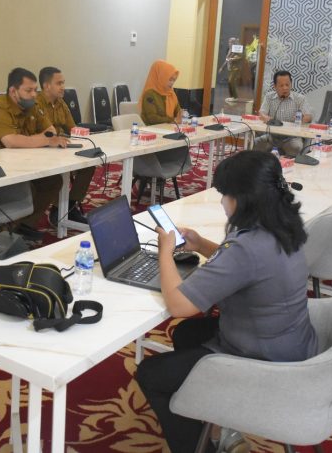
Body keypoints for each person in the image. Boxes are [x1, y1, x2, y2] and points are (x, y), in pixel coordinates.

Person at [136, 151, 318, 453]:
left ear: (243, 199)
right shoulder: (282, 224)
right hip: (291, 342)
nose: (221, 202)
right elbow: (246, 267)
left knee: (150, 374)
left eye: (225, 195)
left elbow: (179, 306)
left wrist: (165, 251)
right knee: (187, 335)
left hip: (265, 363)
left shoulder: (246, 247)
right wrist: (200, 244)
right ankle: (215, 414)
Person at [0, 68, 66, 239]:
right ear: (13, 91)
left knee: (53, 181)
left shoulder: (31, 106)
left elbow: (51, 131)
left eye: (35, 90)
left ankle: (22, 225)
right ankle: (5, 228)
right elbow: (12, 142)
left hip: (20, 162)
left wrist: (37, 139)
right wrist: (44, 140)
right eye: (28, 90)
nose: (34, 94)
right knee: (29, 185)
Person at [36, 67, 95, 225]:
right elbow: (45, 132)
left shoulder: (61, 103)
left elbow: (72, 128)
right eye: (59, 83)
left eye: (63, 83)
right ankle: (57, 209)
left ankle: (69, 205)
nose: (63, 87)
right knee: (58, 171)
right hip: (41, 150)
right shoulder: (36, 103)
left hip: (60, 148)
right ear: (46, 86)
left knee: (89, 165)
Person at [256, 70, 313, 156]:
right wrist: (266, 118)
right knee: (256, 143)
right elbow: (261, 113)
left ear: (291, 84)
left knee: (296, 147)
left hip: (292, 137)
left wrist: (302, 118)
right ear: (275, 86)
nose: (285, 88)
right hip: (272, 136)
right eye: (281, 85)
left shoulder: (300, 98)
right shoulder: (269, 97)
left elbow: (309, 116)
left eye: (287, 85)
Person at [140, 60, 182, 125]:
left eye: (174, 80)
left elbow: (178, 113)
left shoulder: (171, 94)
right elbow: (153, 118)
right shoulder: (150, 94)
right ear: (161, 77)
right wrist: (172, 120)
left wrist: (182, 115)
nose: (172, 83)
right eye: (170, 79)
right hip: (151, 129)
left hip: (168, 127)